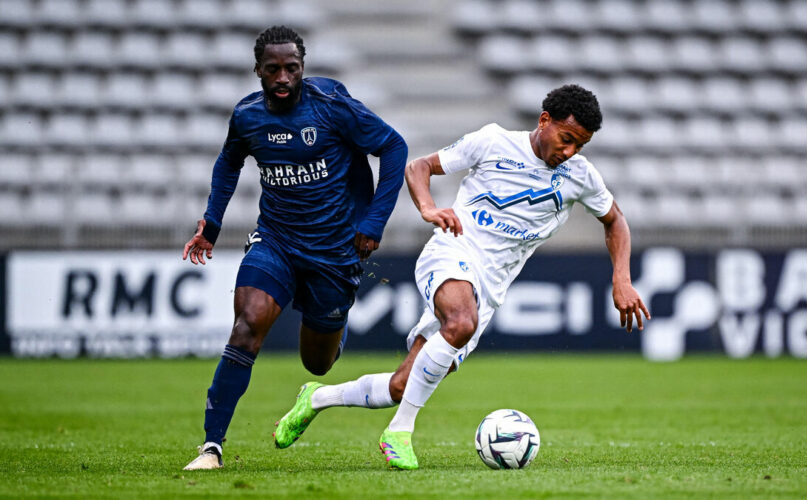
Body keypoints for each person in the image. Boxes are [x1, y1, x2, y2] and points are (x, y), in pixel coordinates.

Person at [271, 84, 650, 470]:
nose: (569, 152)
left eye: (579, 146)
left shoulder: (579, 176)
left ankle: (316, 398)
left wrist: (621, 278)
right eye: (566, 139)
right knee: (460, 321)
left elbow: (615, 220)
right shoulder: (493, 142)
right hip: (452, 251)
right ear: (544, 121)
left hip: (489, 289)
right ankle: (399, 432)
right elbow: (419, 167)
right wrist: (429, 208)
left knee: (403, 385)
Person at [181, 25, 408, 470]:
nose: (283, 77)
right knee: (247, 325)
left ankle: (330, 334)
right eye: (273, 69)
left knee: (317, 365)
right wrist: (211, 223)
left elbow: (394, 147)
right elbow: (228, 162)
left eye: (291, 68)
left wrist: (373, 221)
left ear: (302, 68)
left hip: (336, 250)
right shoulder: (247, 116)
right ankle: (212, 447)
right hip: (277, 240)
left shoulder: (332, 106)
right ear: (258, 71)